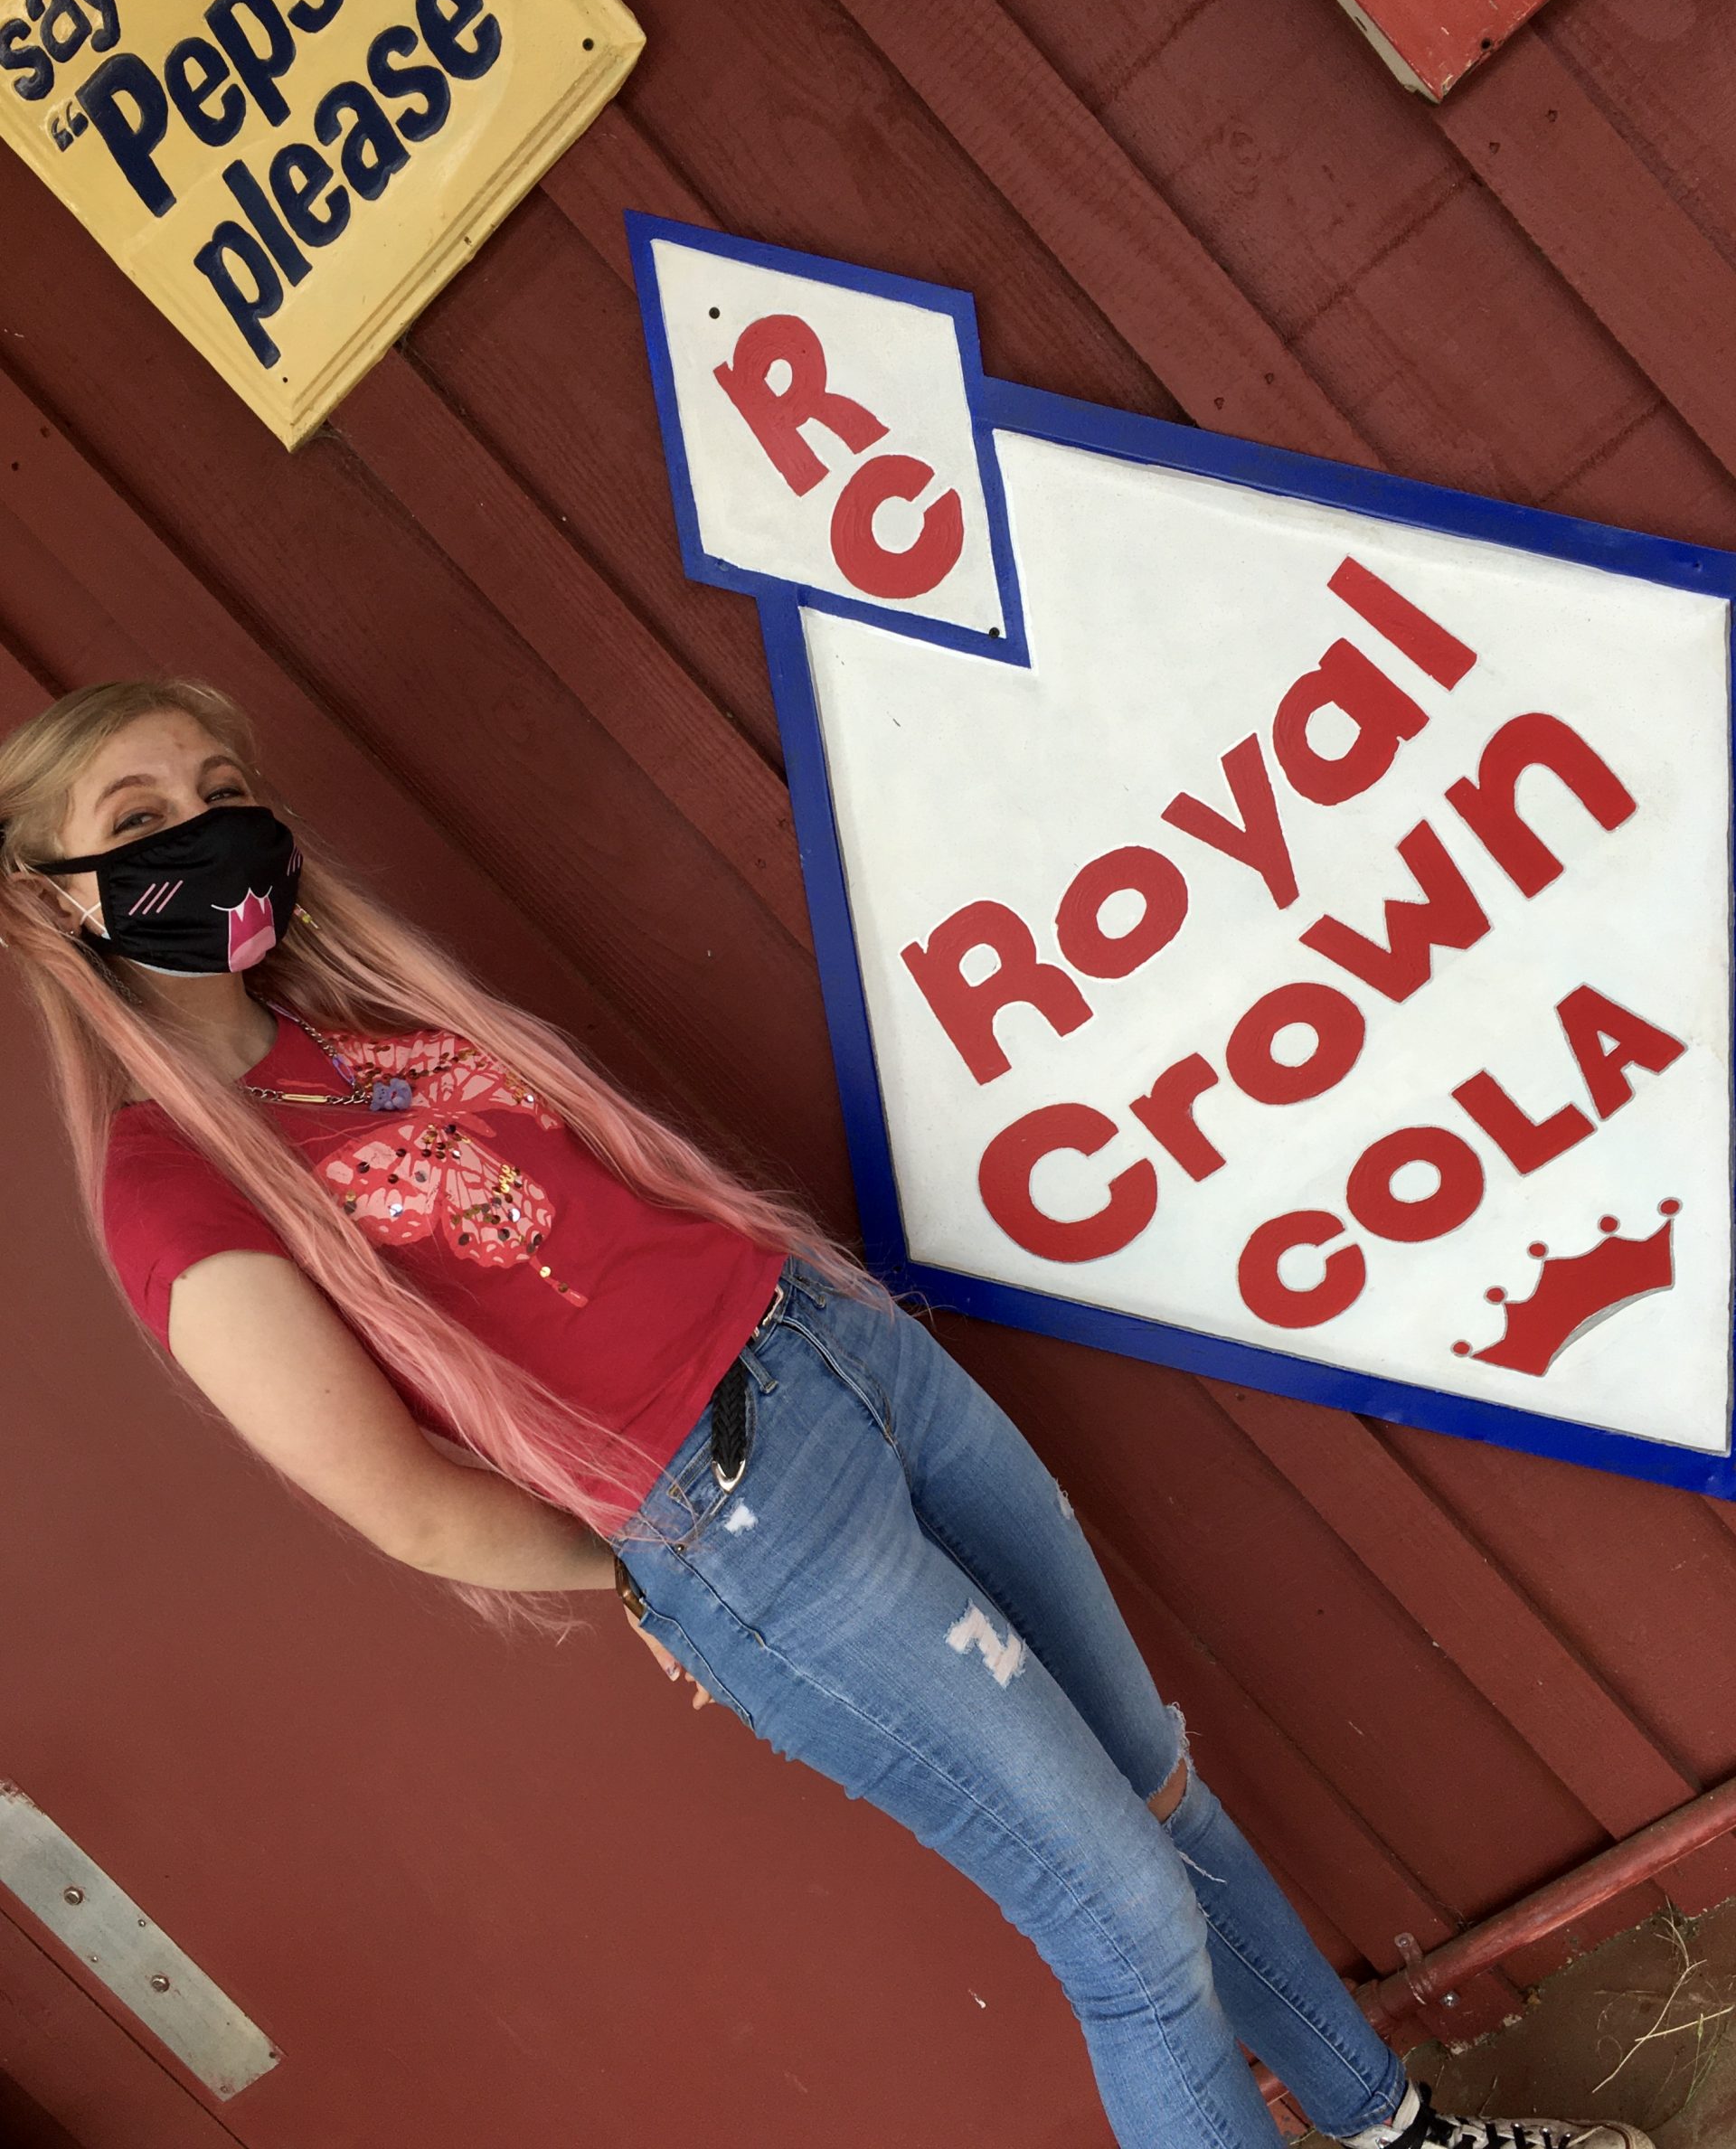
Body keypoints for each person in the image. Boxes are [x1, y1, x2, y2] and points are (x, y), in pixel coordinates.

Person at [0, 676, 1654, 2149]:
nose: (210, 830)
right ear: (56, 901)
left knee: (1164, 1796)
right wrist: (654, 1581)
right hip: (745, 1528)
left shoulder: (358, 1022)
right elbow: (403, 1504)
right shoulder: (170, 1189)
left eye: (223, 789)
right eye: (141, 820)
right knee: (1127, 1928)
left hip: (855, 1367)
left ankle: (1393, 2133)